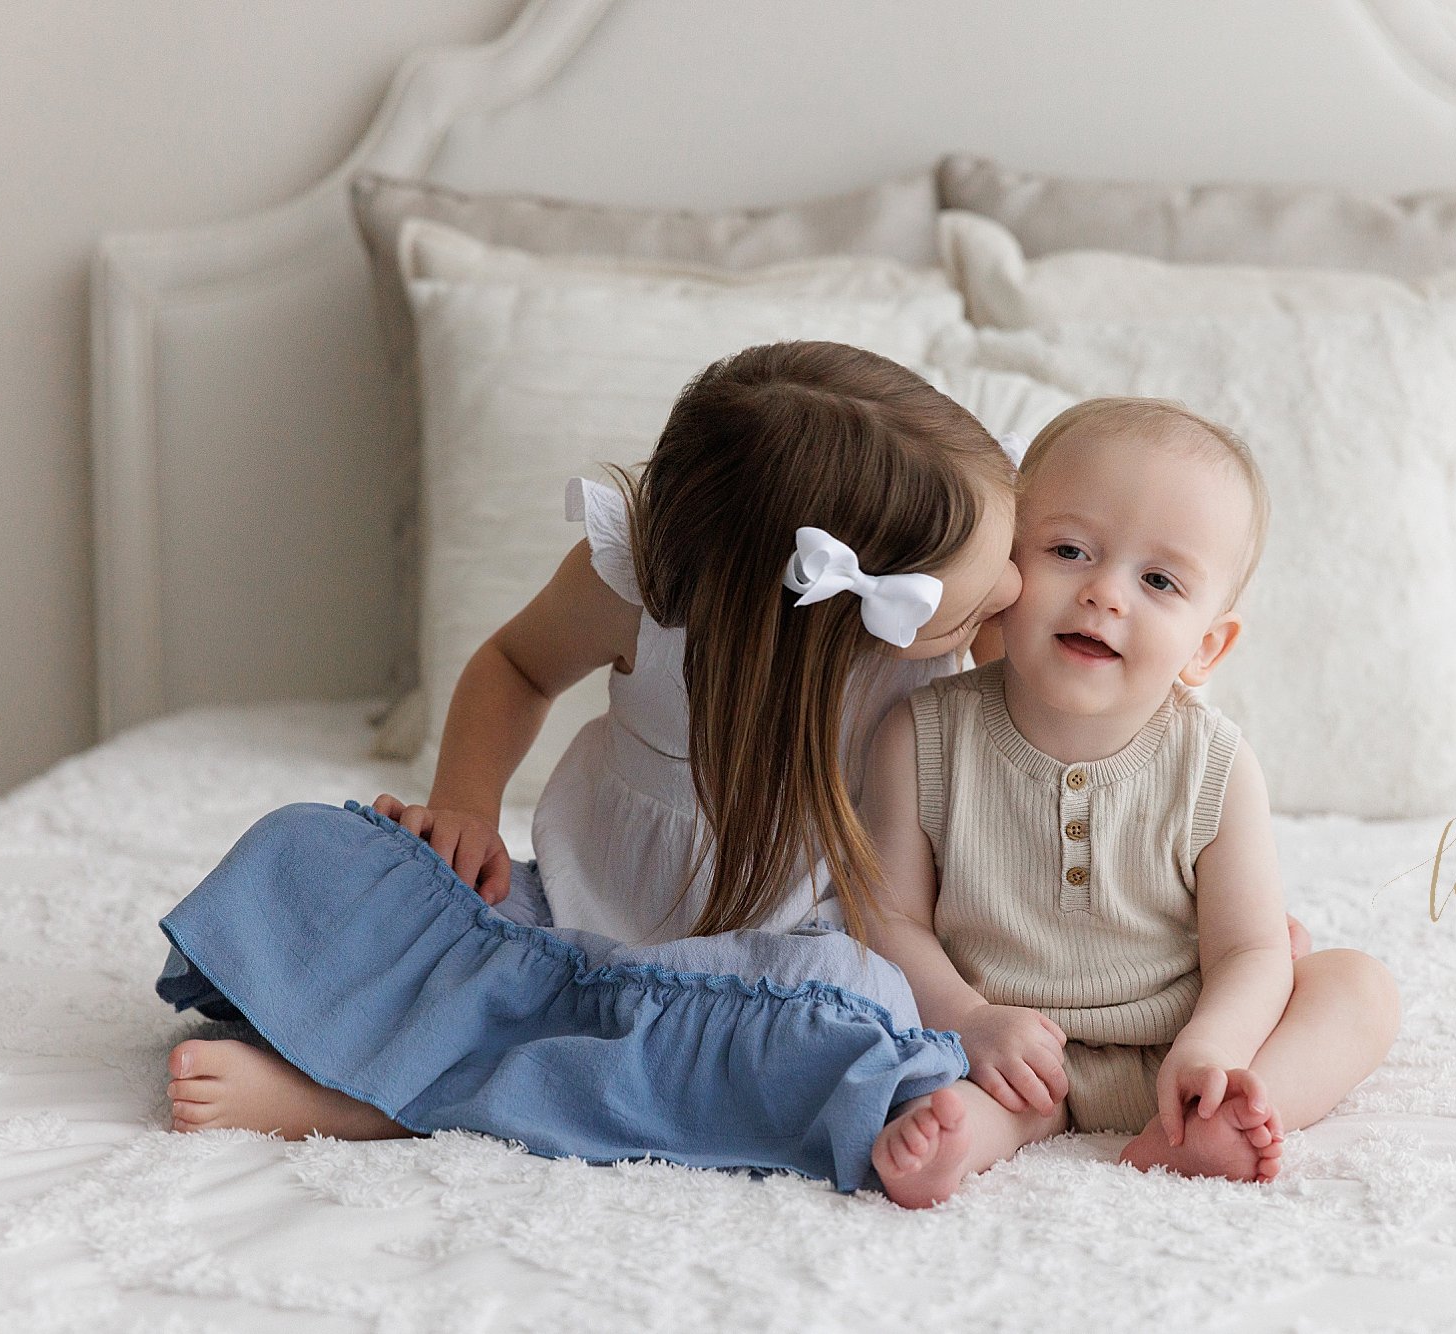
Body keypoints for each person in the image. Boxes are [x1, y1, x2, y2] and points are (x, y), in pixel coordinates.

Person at [154, 340, 1025, 1191]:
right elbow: (515, 668)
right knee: (304, 849)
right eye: (983, 594)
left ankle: (375, 1100)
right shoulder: (632, 592)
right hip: (564, 918)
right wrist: (464, 807)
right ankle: (481, 1073)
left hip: (765, 960)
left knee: (852, 1004)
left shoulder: (962, 631)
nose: (1015, 595)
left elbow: (1069, 699)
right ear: (824, 621)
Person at [859, 397, 1399, 1209]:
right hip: (1014, 1051)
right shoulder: (924, 734)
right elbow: (886, 919)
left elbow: (1250, 951)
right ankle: (970, 1134)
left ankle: (1230, 1110)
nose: (1106, 593)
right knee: (932, 1068)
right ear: (1006, 570)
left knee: (1358, 988)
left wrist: (1213, 1046)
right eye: (1070, 550)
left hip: (1178, 1043)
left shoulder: (1214, 762)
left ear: (1206, 647)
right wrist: (970, 1019)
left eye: (1157, 580)